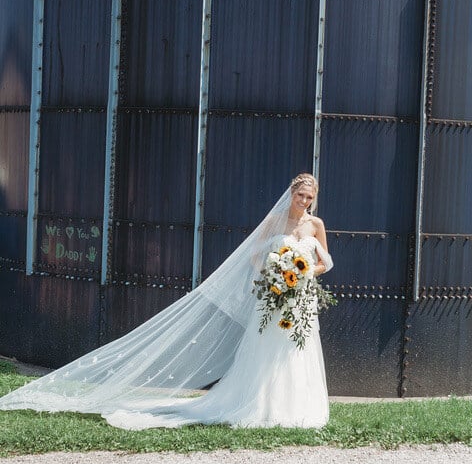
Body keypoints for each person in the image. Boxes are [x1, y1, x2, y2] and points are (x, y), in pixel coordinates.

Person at [0, 173, 333, 429]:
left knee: (294, 350)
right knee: (264, 350)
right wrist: (272, 277)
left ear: (314, 199)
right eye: (300, 194)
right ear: (291, 193)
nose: (304, 200)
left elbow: (325, 262)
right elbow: (254, 257)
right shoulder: (275, 222)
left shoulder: (315, 224)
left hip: (299, 299)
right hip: (273, 296)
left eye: (309, 196)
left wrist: (303, 277)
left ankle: (295, 408)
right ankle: (260, 405)